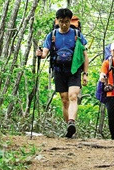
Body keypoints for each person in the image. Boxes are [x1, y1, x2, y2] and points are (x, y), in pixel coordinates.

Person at [37, 8, 88, 138]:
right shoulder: (52, 35)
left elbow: (84, 55)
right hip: (59, 71)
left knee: (73, 96)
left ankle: (71, 122)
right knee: (64, 100)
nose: (64, 24)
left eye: (66, 21)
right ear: (57, 21)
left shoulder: (77, 34)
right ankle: (69, 129)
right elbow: (45, 53)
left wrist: (85, 73)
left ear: (70, 21)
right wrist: (40, 54)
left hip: (74, 70)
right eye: (61, 21)